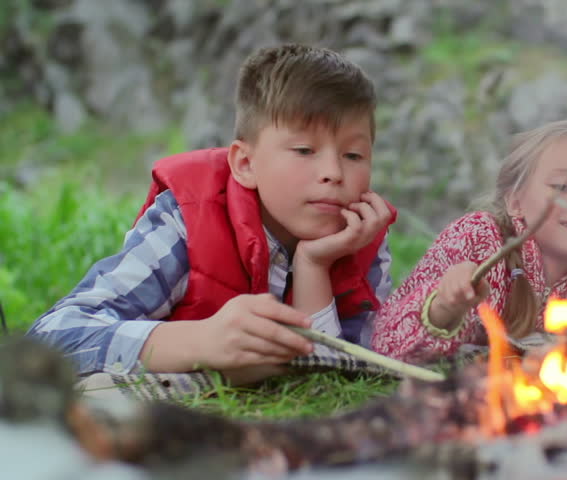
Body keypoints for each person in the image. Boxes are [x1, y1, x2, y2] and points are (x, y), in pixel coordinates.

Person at [27, 44, 396, 386]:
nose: (333, 172)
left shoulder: (361, 234)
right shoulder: (188, 218)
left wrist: (313, 265)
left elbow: (343, 382)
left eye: (354, 156)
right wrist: (200, 341)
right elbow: (51, 338)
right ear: (246, 164)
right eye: (304, 150)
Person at [371, 120, 567, 363]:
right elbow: (386, 345)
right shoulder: (477, 238)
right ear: (515, 201)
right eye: (562, 186)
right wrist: (444, 307)